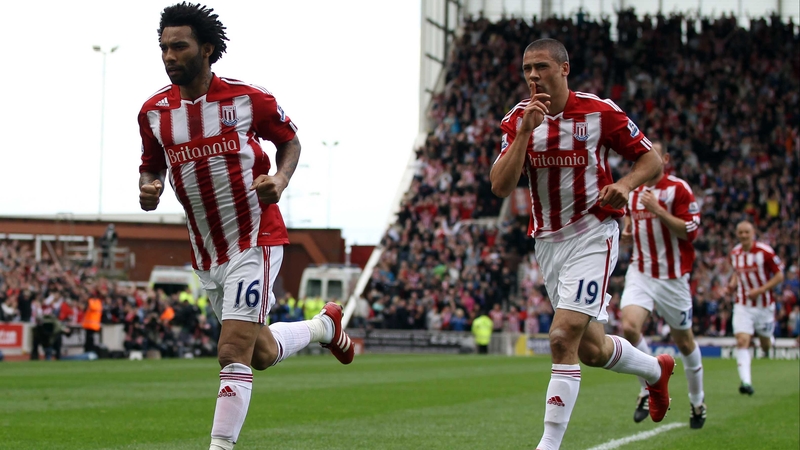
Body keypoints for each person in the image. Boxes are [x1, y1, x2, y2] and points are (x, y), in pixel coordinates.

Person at [136, 4, 354, 449]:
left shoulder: (248, 99)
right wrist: (148, 186)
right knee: (261, 352)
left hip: (255, 238)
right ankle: (324, 328)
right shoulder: (153, 112)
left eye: (179, 46)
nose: (169, 56)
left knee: (231, 351)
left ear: (207, 49)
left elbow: (289, 141)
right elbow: (150, 164)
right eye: (164, 48)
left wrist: (280, 180)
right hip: (206, 252)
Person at [489, 38, 674, 450]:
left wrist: (625, 185)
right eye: (527, 69)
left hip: (593, 233)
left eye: (541, 66)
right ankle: (655, 370)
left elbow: (651, 160)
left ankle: (548, 444)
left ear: (564, 69)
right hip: (548, 243)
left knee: (561, 337)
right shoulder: (518, 118)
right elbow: (500, 186)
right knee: (591, 350)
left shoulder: (599, 112)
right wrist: (524, 132)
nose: (533, 76)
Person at [619, 141, 706, 429]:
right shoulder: (633, 190)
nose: (647, 159)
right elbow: (630, 220)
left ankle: (697, 401)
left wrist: (658, 210)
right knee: (629, 327)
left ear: (664, 159)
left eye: (653, 154)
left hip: (672, 277)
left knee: (685, 342)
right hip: (641, 271)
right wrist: (627, 231)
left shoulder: (678, 189)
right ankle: (649, 386)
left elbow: (690, 232)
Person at [727, 221, 784, 395]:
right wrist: (732, 284)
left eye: (747, 232)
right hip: (743, 304)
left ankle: (768, 341)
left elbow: (779, 276)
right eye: (740, 232)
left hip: (764, 306)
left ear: (753, 233)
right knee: (742, 340)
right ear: (737, 234)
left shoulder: (765, 252)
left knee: (765, 345)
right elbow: (737, 272)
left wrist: (760, 290)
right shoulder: (735, 253)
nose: (743, 235)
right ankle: (746, 382)